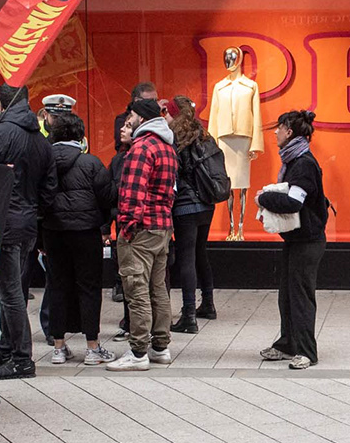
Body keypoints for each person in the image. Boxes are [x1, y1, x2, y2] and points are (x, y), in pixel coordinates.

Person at [0, 86, 54, 380]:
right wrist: (34, 211)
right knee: (15, 289)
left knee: (10, 293)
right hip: (27, 220)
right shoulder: (40, 140)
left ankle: (21, 358)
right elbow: (49, 187)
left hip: (4, 220)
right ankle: (7, 347)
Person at [37, 111, 115, 366]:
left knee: (57, 286)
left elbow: (36, 200)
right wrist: (103, 223)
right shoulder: (90, 163)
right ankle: (92, 347)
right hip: (85, 232)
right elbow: (108, 197)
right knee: (89, 287)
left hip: (53, 232)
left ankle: (58, 346)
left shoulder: (43, 164)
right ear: (80, 136)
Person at [107, 99, 177, 371]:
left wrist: (126, 225)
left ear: (143, 118)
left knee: (137, 290)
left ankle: (138, 352)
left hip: (141, 228)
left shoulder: (142, 147)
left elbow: (132, 193)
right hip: (162, 226)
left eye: (133, 115)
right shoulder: (167, 147)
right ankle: (160, 346)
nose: (129, 120)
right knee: (158, 289)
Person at [258, 109, 331, 369]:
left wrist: (263, 198)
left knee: (300, 295)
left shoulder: (303, 164)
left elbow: (292, 203)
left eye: (279, 128)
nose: (275, 133)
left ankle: (307, 351)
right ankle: (288, 344)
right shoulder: (293, 161)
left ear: (290, 132)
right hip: (296, 240)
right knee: (287, 294)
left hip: (308, 241)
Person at [169, 99, 223, 333]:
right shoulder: (204, 135)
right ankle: (208, 304)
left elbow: (175, 174)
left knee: (186, 257)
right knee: (201, 252)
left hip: (185, 206)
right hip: (207, 203)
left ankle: (188, 315)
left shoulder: (176, 140)